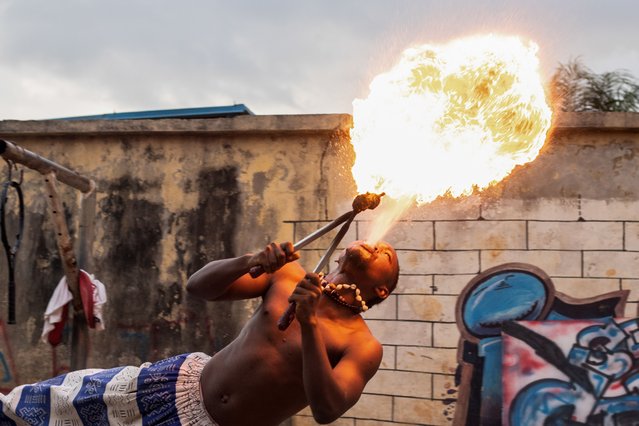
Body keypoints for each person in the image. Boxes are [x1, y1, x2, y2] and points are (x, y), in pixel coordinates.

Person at [0, 239, 399, 426]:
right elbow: (199, 287)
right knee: (65, 404)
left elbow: (328, 409)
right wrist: (250, 260)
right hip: (173, 388)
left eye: (389, 255)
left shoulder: (362, 345)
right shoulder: (288, 275)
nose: (380, 244)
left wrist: (310, 324)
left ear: (382, 290)